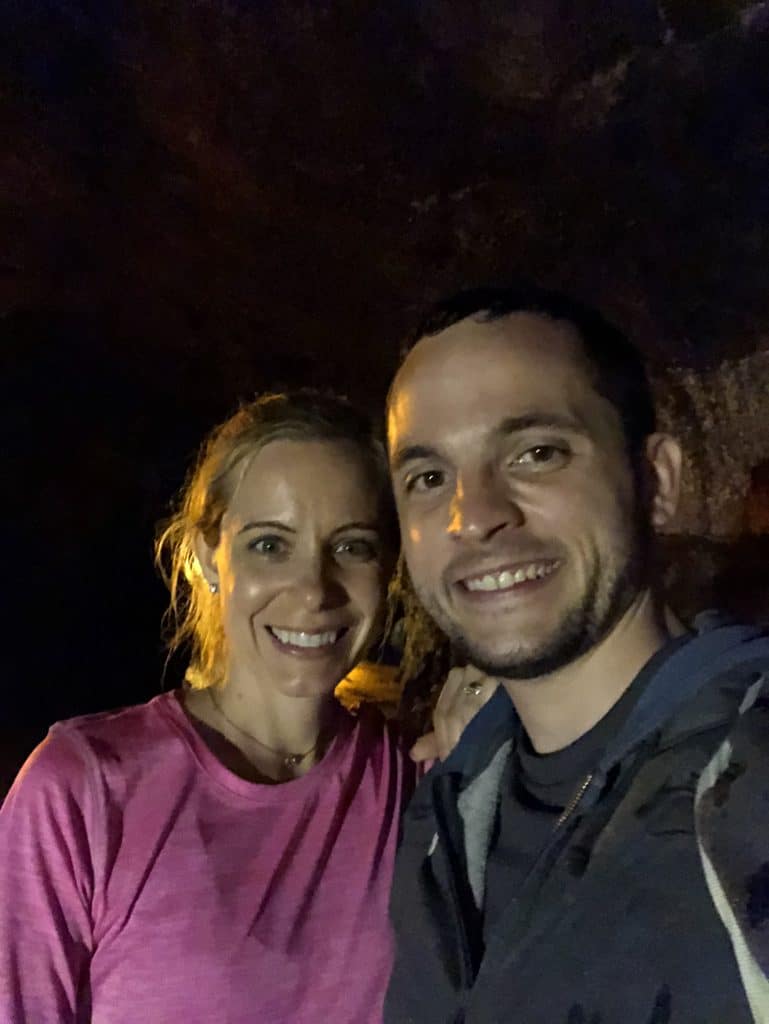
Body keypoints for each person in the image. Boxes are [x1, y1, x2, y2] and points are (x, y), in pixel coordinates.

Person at [0, 390, 480, 1024]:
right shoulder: (84, 790)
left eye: (351, 546)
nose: (313, 590)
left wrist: (499, 731)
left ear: (390, 566)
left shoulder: (419, 786)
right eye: (268, 546)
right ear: (207, 557)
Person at [383, 285, 769, 1023]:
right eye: (429, 478)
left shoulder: (744, 766)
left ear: (654, 481)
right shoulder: (445, 817)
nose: (475, 516)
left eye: (535, 452)